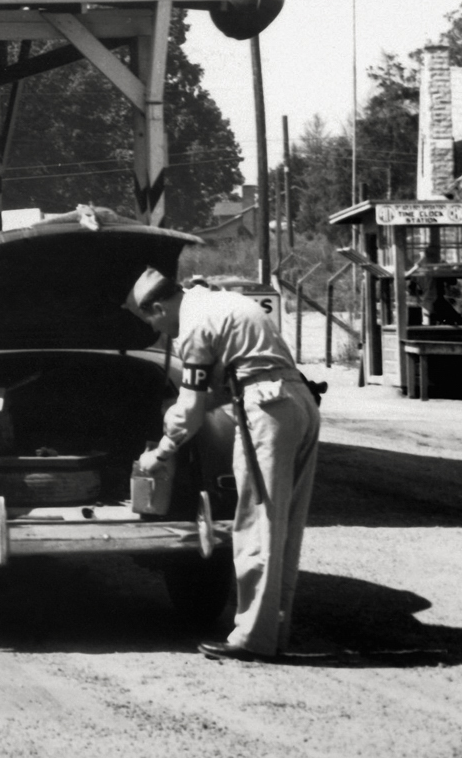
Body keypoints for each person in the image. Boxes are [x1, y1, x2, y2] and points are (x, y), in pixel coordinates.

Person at [133, 267, 321, 662]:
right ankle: (273, 631)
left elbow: (191, 413)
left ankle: (252, 639)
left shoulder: (193, 327)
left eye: (151, 320)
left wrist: (160, 453)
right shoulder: (221, 301)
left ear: (158, 305)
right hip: (299, 399)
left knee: (257, 524)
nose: (159, 331)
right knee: (285, 526)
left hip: (266, 406)